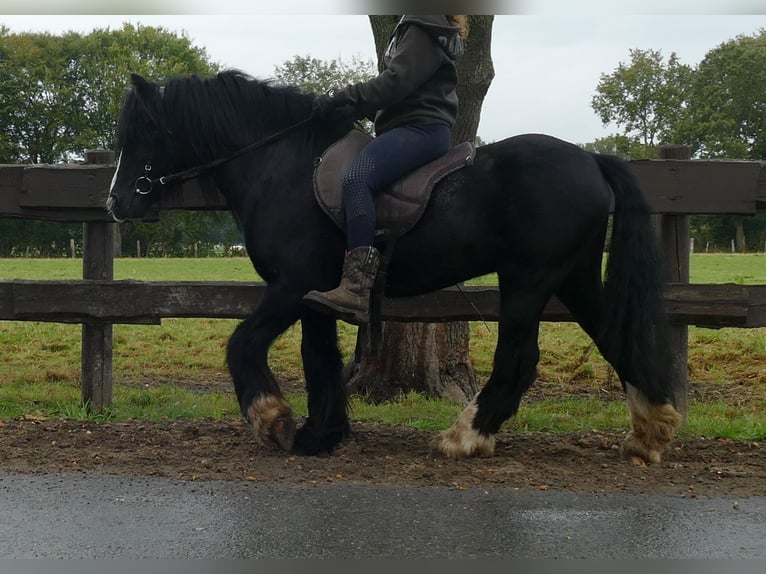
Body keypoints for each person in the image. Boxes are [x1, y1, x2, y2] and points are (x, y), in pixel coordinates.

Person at [303, 14, 469, 323]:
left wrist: (342, 97)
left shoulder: (423, 23)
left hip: (419, 129)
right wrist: (356, 108)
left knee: (356, 178)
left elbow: (395, 83)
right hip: (411, 127)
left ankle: (355, 289)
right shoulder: (423, 22)